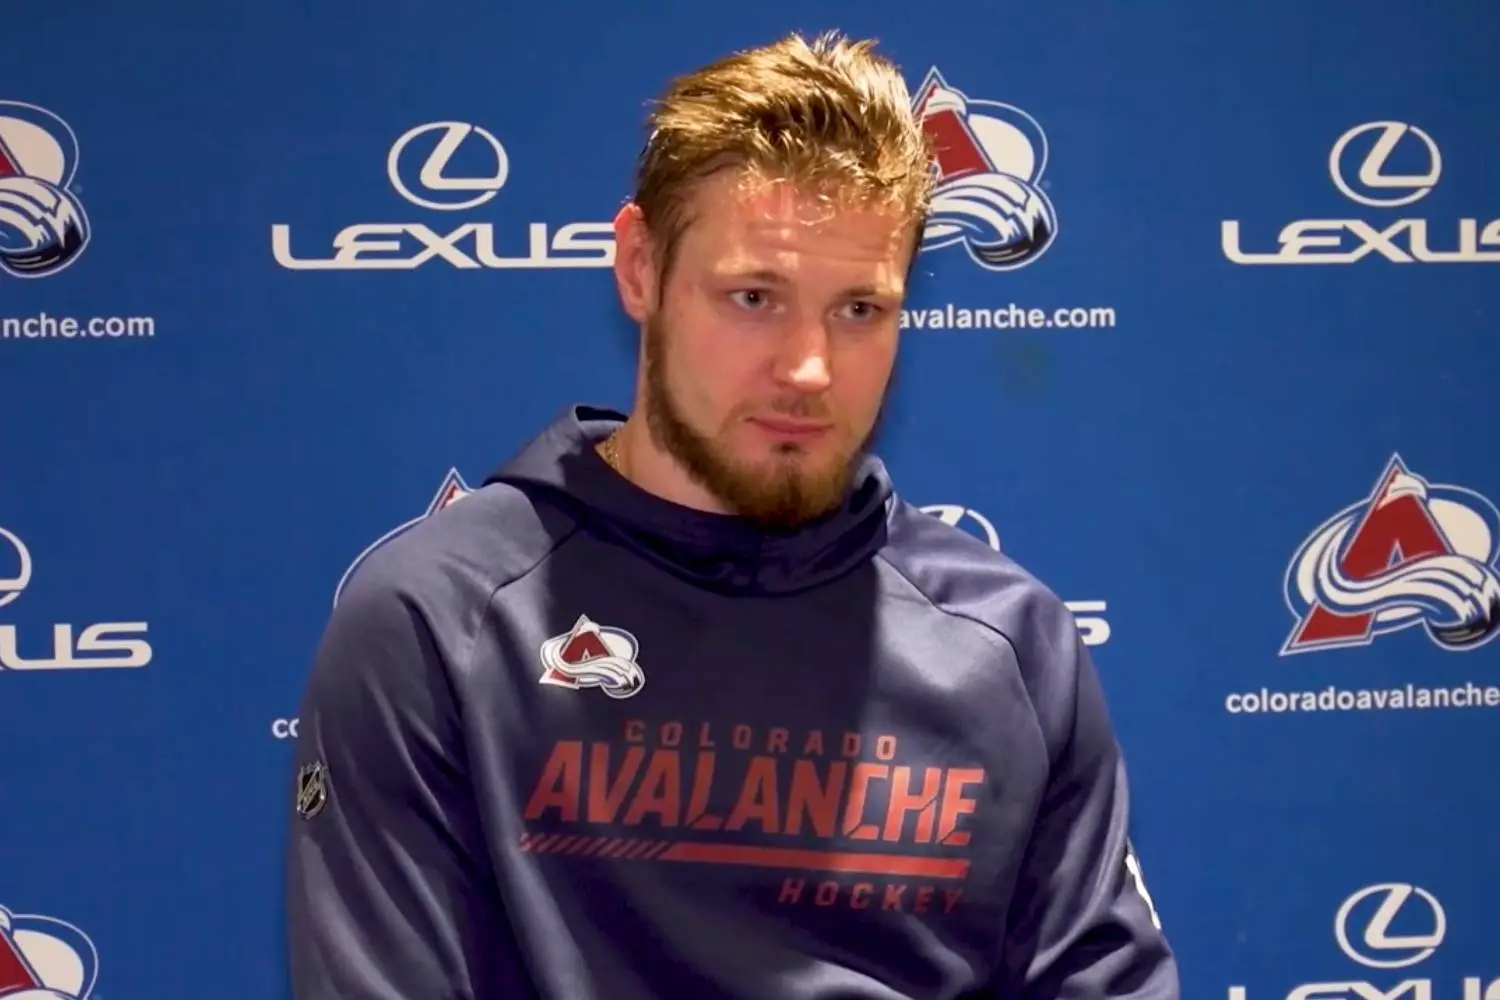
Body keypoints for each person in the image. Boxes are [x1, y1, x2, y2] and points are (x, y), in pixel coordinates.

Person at [284, 29, 1180, 1000]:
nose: (808, 368)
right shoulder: (438, 621)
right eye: (755, 297)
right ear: (639, 267)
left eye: (860, 310)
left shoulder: (1012, 643)